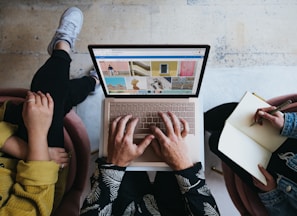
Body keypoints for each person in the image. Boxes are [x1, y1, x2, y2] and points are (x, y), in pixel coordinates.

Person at [0, 6, 98, 214]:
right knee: (51, 98)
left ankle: (76, 64)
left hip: (8, 138)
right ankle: (64, 50)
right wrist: (38, 137)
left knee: (50, 98)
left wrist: (24, 148)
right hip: (40, 177)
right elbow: (34, 201)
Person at [80, 112, 220, 216]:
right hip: (179, 209)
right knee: (178, 133)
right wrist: (183, 165)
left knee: (120, 138)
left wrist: (114, 166)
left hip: (121, 208)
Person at [204, 102, 297, 215]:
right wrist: (287, 123)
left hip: (271, 178)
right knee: (233, 113)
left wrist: (271, 192)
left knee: (216, 142)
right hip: (287, 135)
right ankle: (195, 123)